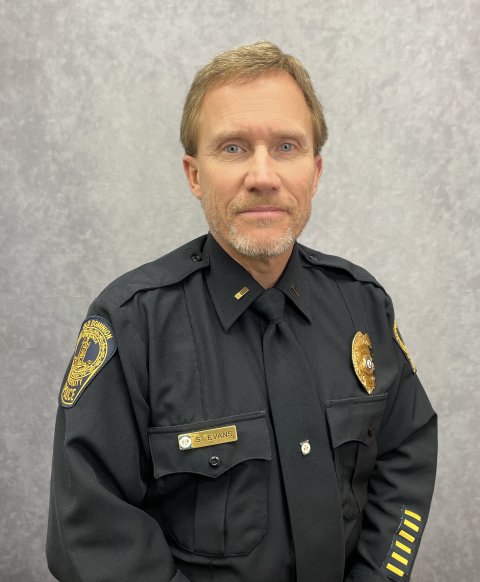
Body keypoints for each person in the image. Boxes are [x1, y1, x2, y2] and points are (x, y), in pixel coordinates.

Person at [46, 41, 437, 582]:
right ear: (194, 174)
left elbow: (406, 452)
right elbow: (91, 530)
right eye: (233, 148)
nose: (263, 175)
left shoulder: (362, 305)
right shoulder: (133, 325)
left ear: (315, 171)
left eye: (286, 147)